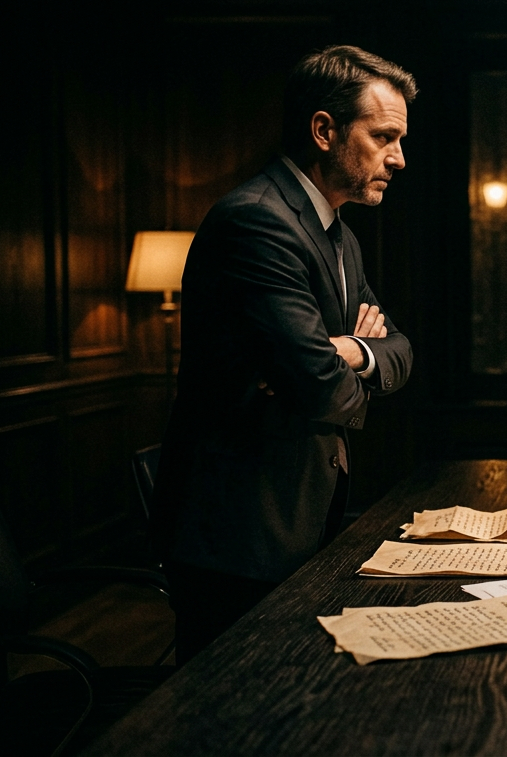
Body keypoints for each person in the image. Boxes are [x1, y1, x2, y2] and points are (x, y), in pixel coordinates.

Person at [153, 46, 415, 663]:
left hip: (298, 518)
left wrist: (350, 349)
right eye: (383, 137)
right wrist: (344, 361)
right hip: (240, 534)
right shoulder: (257, 221)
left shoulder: (340, 233)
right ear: (323, 131)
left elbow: (400, 352)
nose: (398, 158)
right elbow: (320, 389)